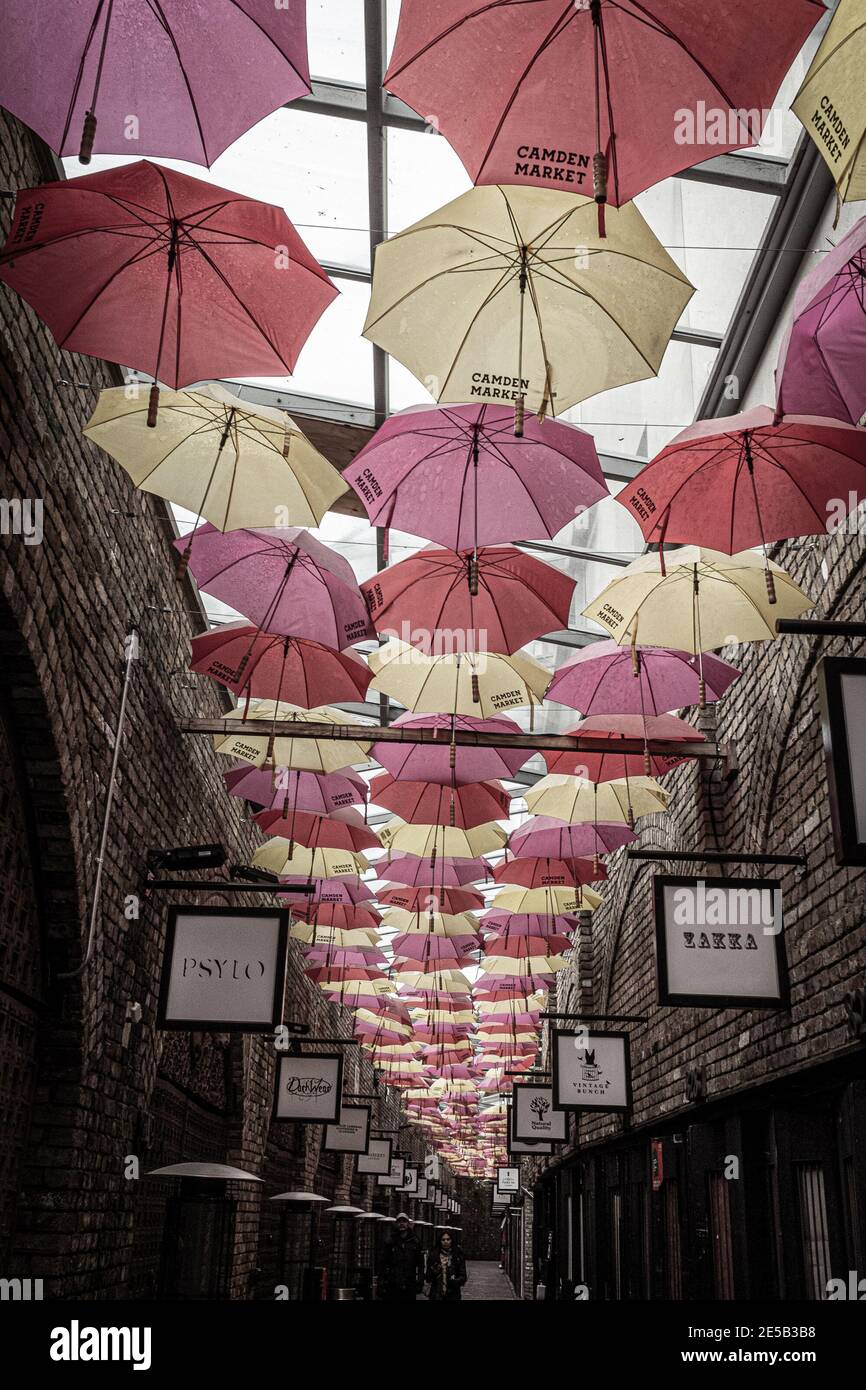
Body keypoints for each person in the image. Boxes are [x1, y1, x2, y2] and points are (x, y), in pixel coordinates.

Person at [379, 1212, 425, 1301]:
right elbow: (383, 1263)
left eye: (404, 1221)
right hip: (393, 1281)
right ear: (396, 1224)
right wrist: (382, 1281)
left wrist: (420, 1281)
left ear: (408, 1223)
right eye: (399, 1221)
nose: (402, 1224)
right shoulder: (390, 1241)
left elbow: (420, 1264)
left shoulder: (415, 1241)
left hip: (409, 1281)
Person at [425, 1229, 467, 1302]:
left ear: (451, 1240)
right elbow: (428, 1277)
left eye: (448, 1239)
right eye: (443, 1240)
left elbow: (463, 1276)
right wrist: (435, 1270)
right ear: (440, 1241)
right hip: (437, 1293)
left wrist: (455, 1281)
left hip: (453, 1293)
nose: (446, 1242)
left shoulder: (457, 1255)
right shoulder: (434, 1255)